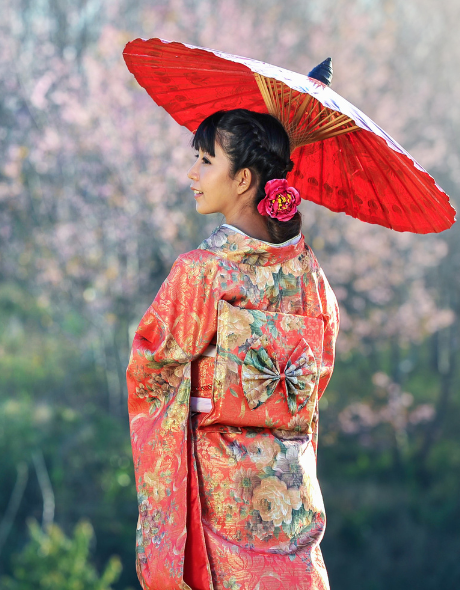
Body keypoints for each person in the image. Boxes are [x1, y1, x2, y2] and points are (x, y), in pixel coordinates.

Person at [126, 109, 339, 590]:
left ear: (243, 179)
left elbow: (150, 368)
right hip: (289, 490)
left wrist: (203, 392)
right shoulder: (311, 280)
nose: (192, 174)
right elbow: (313, 380)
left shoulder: (203, 272)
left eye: (205, 160)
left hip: (222, 490)